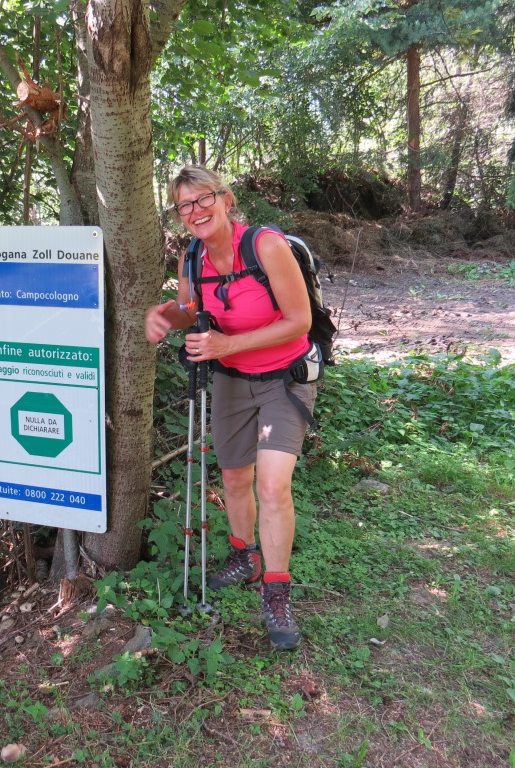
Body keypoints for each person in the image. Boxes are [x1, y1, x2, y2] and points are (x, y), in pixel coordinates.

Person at [144, 166, 316, 651]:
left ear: (226, 199)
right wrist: (163, 315)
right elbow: (189, 309)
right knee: (236, 478)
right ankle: (246, 556)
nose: (195, 211)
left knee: (272, 485)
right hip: (232, 381)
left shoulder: (265, 247)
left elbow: (299, 320)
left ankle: (276, 594)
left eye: (204, 199)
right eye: (184, 205)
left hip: (284, 379)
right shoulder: (192, 256)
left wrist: (226, 344)